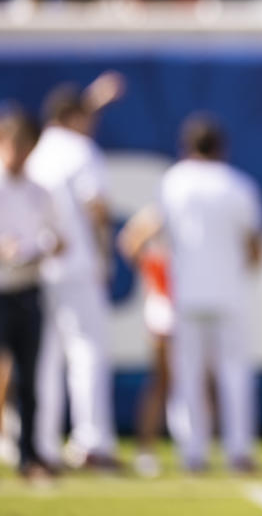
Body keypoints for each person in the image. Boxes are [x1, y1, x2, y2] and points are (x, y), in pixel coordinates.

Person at [119, 114, 262, 472]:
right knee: (233, 374)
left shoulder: (173, 183)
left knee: (188, 375)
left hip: (186, 296)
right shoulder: (238, 185)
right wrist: (235, 269)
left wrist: (154, 275)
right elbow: (256, 249)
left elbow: (135, 238)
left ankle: (192, 452)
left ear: (186, 147)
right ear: (221, 148)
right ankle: (239, 451)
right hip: (229, 294)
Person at [27, 80, 122, 470]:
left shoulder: (34, 152)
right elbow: (96, 207)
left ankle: (41, 443)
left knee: (44, 360)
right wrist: (103, 258)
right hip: (77, 267)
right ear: (74, 117)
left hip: (36, 268)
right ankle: (90, 442)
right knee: (86, 354)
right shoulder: (80, 149)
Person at [0, 105, 62, 481]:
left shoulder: (41, 192)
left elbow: (59, 238)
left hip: (28, 288)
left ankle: (29, 454)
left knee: (29, 376)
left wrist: (43, 246)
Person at [116, 220, 174, 478]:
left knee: (200, 381)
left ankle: (198, 449)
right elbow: (130, 242)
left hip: (196, 306)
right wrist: (149, 270)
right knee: (161, 379)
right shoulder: (162, 212)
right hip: (165, 304)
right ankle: (146, 448)